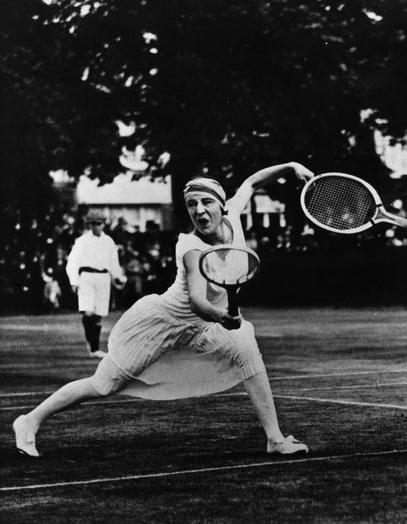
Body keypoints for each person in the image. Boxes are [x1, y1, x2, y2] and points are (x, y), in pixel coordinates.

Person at [13, 163, 314, 458]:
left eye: (207, 202)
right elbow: (197, 301)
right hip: (164, 324)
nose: (199, 210)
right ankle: (29, 420)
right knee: (104, 385)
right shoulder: (191, 247)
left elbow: (251, 182)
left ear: (223, 206)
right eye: (191, 204)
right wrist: (222, 316)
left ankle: (274, 439)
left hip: (202, 328)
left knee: (246, 348)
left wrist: (290, 167)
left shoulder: (234, 215)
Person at [65, 210, 127, 357]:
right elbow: (72, 262)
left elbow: (114, 263)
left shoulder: (108, 241)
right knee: (88, 312)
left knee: (98, 314)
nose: (95, 226)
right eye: (92, 224)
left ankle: (95, 348)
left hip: (103, 277)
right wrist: (74, 281)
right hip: (86, 276)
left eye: (98, 223)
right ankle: (93, 347)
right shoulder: (82, 241)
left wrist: (118, 277)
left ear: (103, 224)